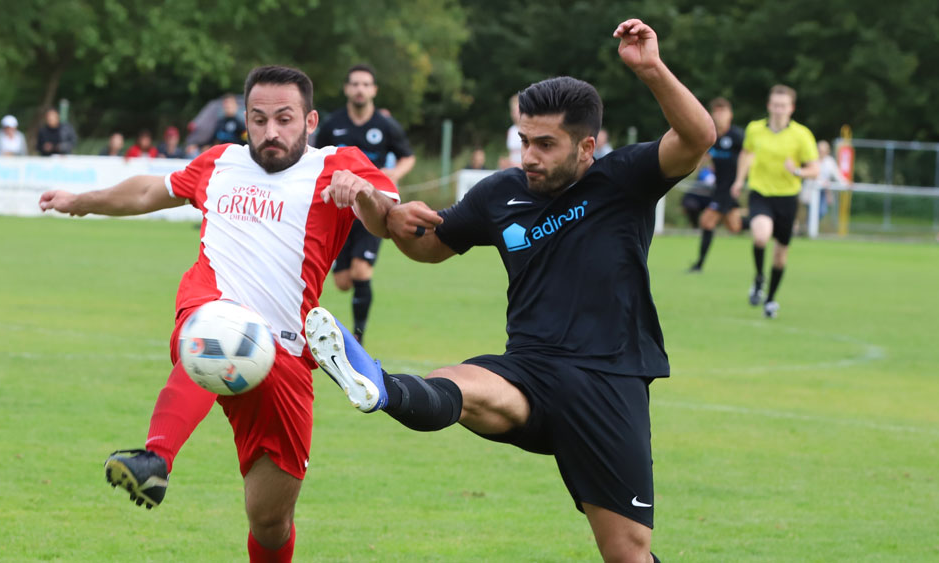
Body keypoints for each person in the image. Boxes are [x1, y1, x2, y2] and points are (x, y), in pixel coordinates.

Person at [304, 18, 714, 562]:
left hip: (609, 379)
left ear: (587, 146)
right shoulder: (502, 194)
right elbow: (422, 243)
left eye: (546, 144)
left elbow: (698, 138)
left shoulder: (625, 178)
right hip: (529, 369)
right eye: (524, 140)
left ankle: (381, 385)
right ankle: (377, 385)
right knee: (453, 384)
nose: (529, 157)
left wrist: (651, 69)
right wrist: (376, 207)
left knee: (627, 555)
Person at [38, 65, 399, 562]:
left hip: (288, 358)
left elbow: (387, 221)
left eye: (285, 119)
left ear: (310, 120)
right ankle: (155, 457)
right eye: (259, 119)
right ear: (245, 121)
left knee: (270, 521)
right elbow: (149, 191)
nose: (271, 131)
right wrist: (82, 200)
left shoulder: (340, 163)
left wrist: (361, 193)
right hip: (212, 311)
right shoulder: (220, 162)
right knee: (214, 328)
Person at [313, 63, 415, 344]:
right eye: (355, 84)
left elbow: (407, 156)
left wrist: (394, 174)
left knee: (361, 271)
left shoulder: (385, 126)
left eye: (365, 84)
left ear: (374, 90)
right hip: (339, 210)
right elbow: (315, 159)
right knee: (343, 282)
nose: (360, 89)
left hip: (372, 208)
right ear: (347, 89)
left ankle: (358, 336)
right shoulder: (333, 125)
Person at [731, 85, 818, 318]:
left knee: (780, 255)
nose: (779, 109)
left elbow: (814, 169)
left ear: (791, 108)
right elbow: (747, 154)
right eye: (775, 105)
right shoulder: (755, 129)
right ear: (769, 106)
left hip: (788, 198)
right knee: (760, 236)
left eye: (783, 105)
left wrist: (797, 171)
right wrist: (739, 180)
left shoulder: (802, 135)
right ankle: (759, 278)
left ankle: (770, 300)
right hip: (760, 193)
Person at [689, 97, 744, 272]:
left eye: (723, 112)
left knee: (706, 222)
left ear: (731, 115)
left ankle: (699, 265)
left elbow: (750, 155)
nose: (719, 115)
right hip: (719, 187)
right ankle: (765, 221)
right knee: (735, 227)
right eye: (717, 112)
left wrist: (741, 180)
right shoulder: (711, 137)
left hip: (729, 188)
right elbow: (704, 157)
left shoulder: (736, 136)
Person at [499, 94, 522, 169]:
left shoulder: (530, 130)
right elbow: (511, 154)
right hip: (513, 169)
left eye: (517, 111)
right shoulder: (511, 131)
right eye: (513, 111)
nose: (514, 114)